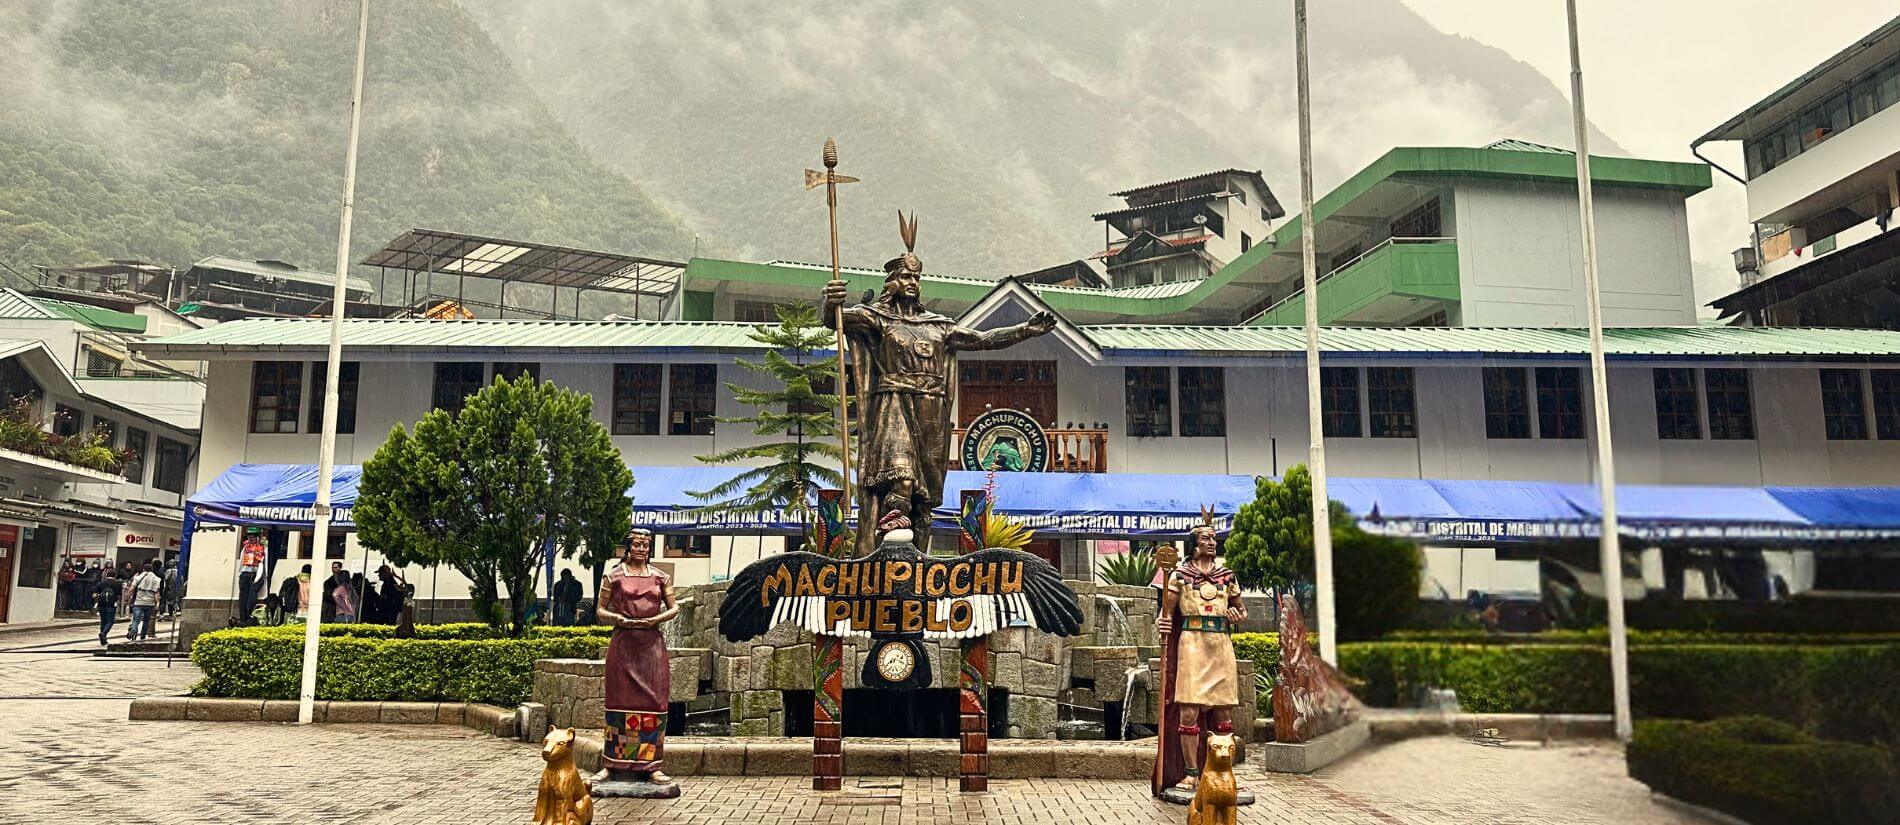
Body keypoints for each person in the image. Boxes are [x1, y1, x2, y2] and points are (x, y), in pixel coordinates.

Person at [823, 213, 1056, 554]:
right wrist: (830, 301)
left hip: (931, 409)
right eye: (905, 276)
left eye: (917, 276)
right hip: (893, 404)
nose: (913, 281)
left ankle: (917, 556)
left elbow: (983, 339)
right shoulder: (877, 318)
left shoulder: (939, 326)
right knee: (900, 476)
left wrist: (1024, 331)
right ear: (892, 282)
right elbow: (837, 321)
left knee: (924, 497)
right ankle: (885, 545)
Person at [1155, 512, 1245, 796]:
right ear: (1193, 544)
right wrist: (1162, 623)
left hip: (1219, 644)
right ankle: (1192, 774)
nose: (1212, 542)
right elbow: (1165, 615)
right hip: (1192, 645)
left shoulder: (1226, 576)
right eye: (1206, 538)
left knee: (1223, 711)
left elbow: (1241, 610)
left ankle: (1223, 772)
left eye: (1213, 538)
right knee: (1189, 711)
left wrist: (1236, 615)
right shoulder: (1180, 576)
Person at [594, 528, 680, 793]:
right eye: (637, 544)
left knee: (654, 702)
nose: (642, 549)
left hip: (651, 645)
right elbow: (599, 609)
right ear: (628, 548)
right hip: (623, 644)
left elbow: (674, 607)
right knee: (618, 701)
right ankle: (612, 763)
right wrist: (616, 619)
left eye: (646, 545)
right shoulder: (613, 576)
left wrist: (657, 619)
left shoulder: (660, 577)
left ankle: (652, 765)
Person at [128, 562, 163, 641]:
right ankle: (143, 636)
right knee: (146, 621)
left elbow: (132, 588)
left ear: (143, 569)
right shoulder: (156, 579)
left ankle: (133, 631)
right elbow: (156, 592)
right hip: (150, 603)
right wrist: (157, 602)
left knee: (136, 619)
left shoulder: (138, 578)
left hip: (138, 602)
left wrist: (127, 597)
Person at [92, 569, 123, 646]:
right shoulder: (117, 583)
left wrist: (95, 602)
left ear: (107, 575)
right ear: (115, 575)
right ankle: (104, 633)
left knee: (103, 621)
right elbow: (119, 595)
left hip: (101, 604)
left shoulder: (101, 583)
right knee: (110, 621)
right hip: (111, 604)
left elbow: (94, 594)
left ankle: (103, 639)